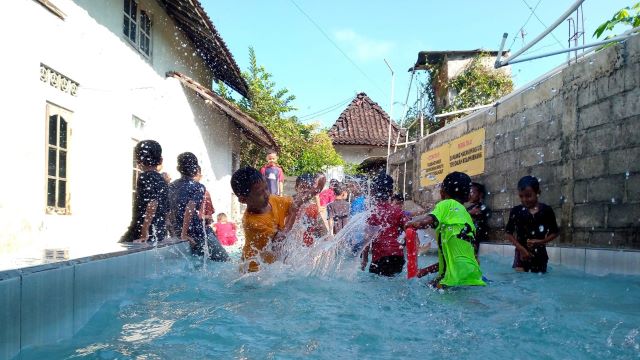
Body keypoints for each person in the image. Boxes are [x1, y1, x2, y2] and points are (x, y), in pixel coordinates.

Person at [406, 171, 485, 288]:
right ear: (468, 196)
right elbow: (457, 259)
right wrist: (424, 272)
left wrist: (410, 224)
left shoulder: (447, 204)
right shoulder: (467, 217)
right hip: (474, 275)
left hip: (452, 280)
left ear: (442, 193)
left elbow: (424, 222)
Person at [231, 167, 306, 272]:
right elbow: (280, 240)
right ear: (243, 199)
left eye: (266, 188)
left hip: (271, 267)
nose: (266, 194)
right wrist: (293, 214)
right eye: (259, 193)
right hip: (253, 272)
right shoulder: (251, 222)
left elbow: (295, 202)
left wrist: (312, 190)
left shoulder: (272, 200)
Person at [505, 176, 559, 273]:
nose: (524, 199)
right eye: (521, 196)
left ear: (538, 193)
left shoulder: (546, 210)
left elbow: (554, 232)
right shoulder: (516, 211)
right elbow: (508, 233)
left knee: (539, 284)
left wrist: (540, 242)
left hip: (540, 256)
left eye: (528, 196)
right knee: (519, 283)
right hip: (520, 256)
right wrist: (521, 248)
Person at [361, 174, 408, 277]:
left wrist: (364, 259)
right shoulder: (398, 211)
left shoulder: (373, 212)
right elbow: (410, 231)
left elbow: (367, 238)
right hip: (397, 256)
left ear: (373, 192)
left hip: (380, 257)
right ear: (391, 192)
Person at [121, 140, 169, 243]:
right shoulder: (163, 180)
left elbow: (153, 202)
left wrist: (144, 232)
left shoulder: (145, 176)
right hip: (158, 231)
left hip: (141, 231)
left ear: (138, 161)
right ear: (160, 160)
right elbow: (166, 210)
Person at [168, 152, 208, 257]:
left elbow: (168, 211)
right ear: (195, 169)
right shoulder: (198, 187)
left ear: (178, 168)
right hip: (194, 232)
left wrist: (174, 233)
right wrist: (184, 234)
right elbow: (190, 208)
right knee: (224, 260)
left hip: (177, 230)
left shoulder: (171, 186)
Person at [194, 166, 229, 262]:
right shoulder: (203, 192)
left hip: (180, 236)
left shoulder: (173, 187)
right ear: (199, 176)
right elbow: (208, 218)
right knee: (225, 260)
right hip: (201, 233)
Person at [294, 174, 329, 246]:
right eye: (302, 187)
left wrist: (328, 242)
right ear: (296, 188)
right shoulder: (287, 203)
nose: (305, 190)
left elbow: (323, 231)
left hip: (305, 249)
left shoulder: (312, 208)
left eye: (309, 188)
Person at [466, 182, 491, 256]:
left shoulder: (483, 208)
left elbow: (479, 212)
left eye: (473, 192)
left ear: (480, 195)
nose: (470, 195)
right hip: (471, 239)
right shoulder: (470, 209)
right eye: (470, 192)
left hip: (479, 240)